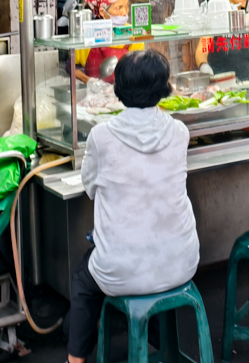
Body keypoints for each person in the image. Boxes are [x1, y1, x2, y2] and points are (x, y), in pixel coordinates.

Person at [66, 50, 199, 363]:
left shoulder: (101, 136)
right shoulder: (180, 132)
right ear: (164, 89)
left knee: (83, 282)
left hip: (121, 271)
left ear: (119, 89)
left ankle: (75, 360)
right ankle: (158, 348)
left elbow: (89, 187)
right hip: (181, 261)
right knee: (148, 252)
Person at [73, 0, 142, 84]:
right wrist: (89, 81)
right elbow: (70, 66)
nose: (124, 12)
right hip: (95, 95)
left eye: (126, 7)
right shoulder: (90, 32)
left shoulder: (132, 31)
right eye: (119, 8)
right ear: (102, 11)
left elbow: (139, 67)